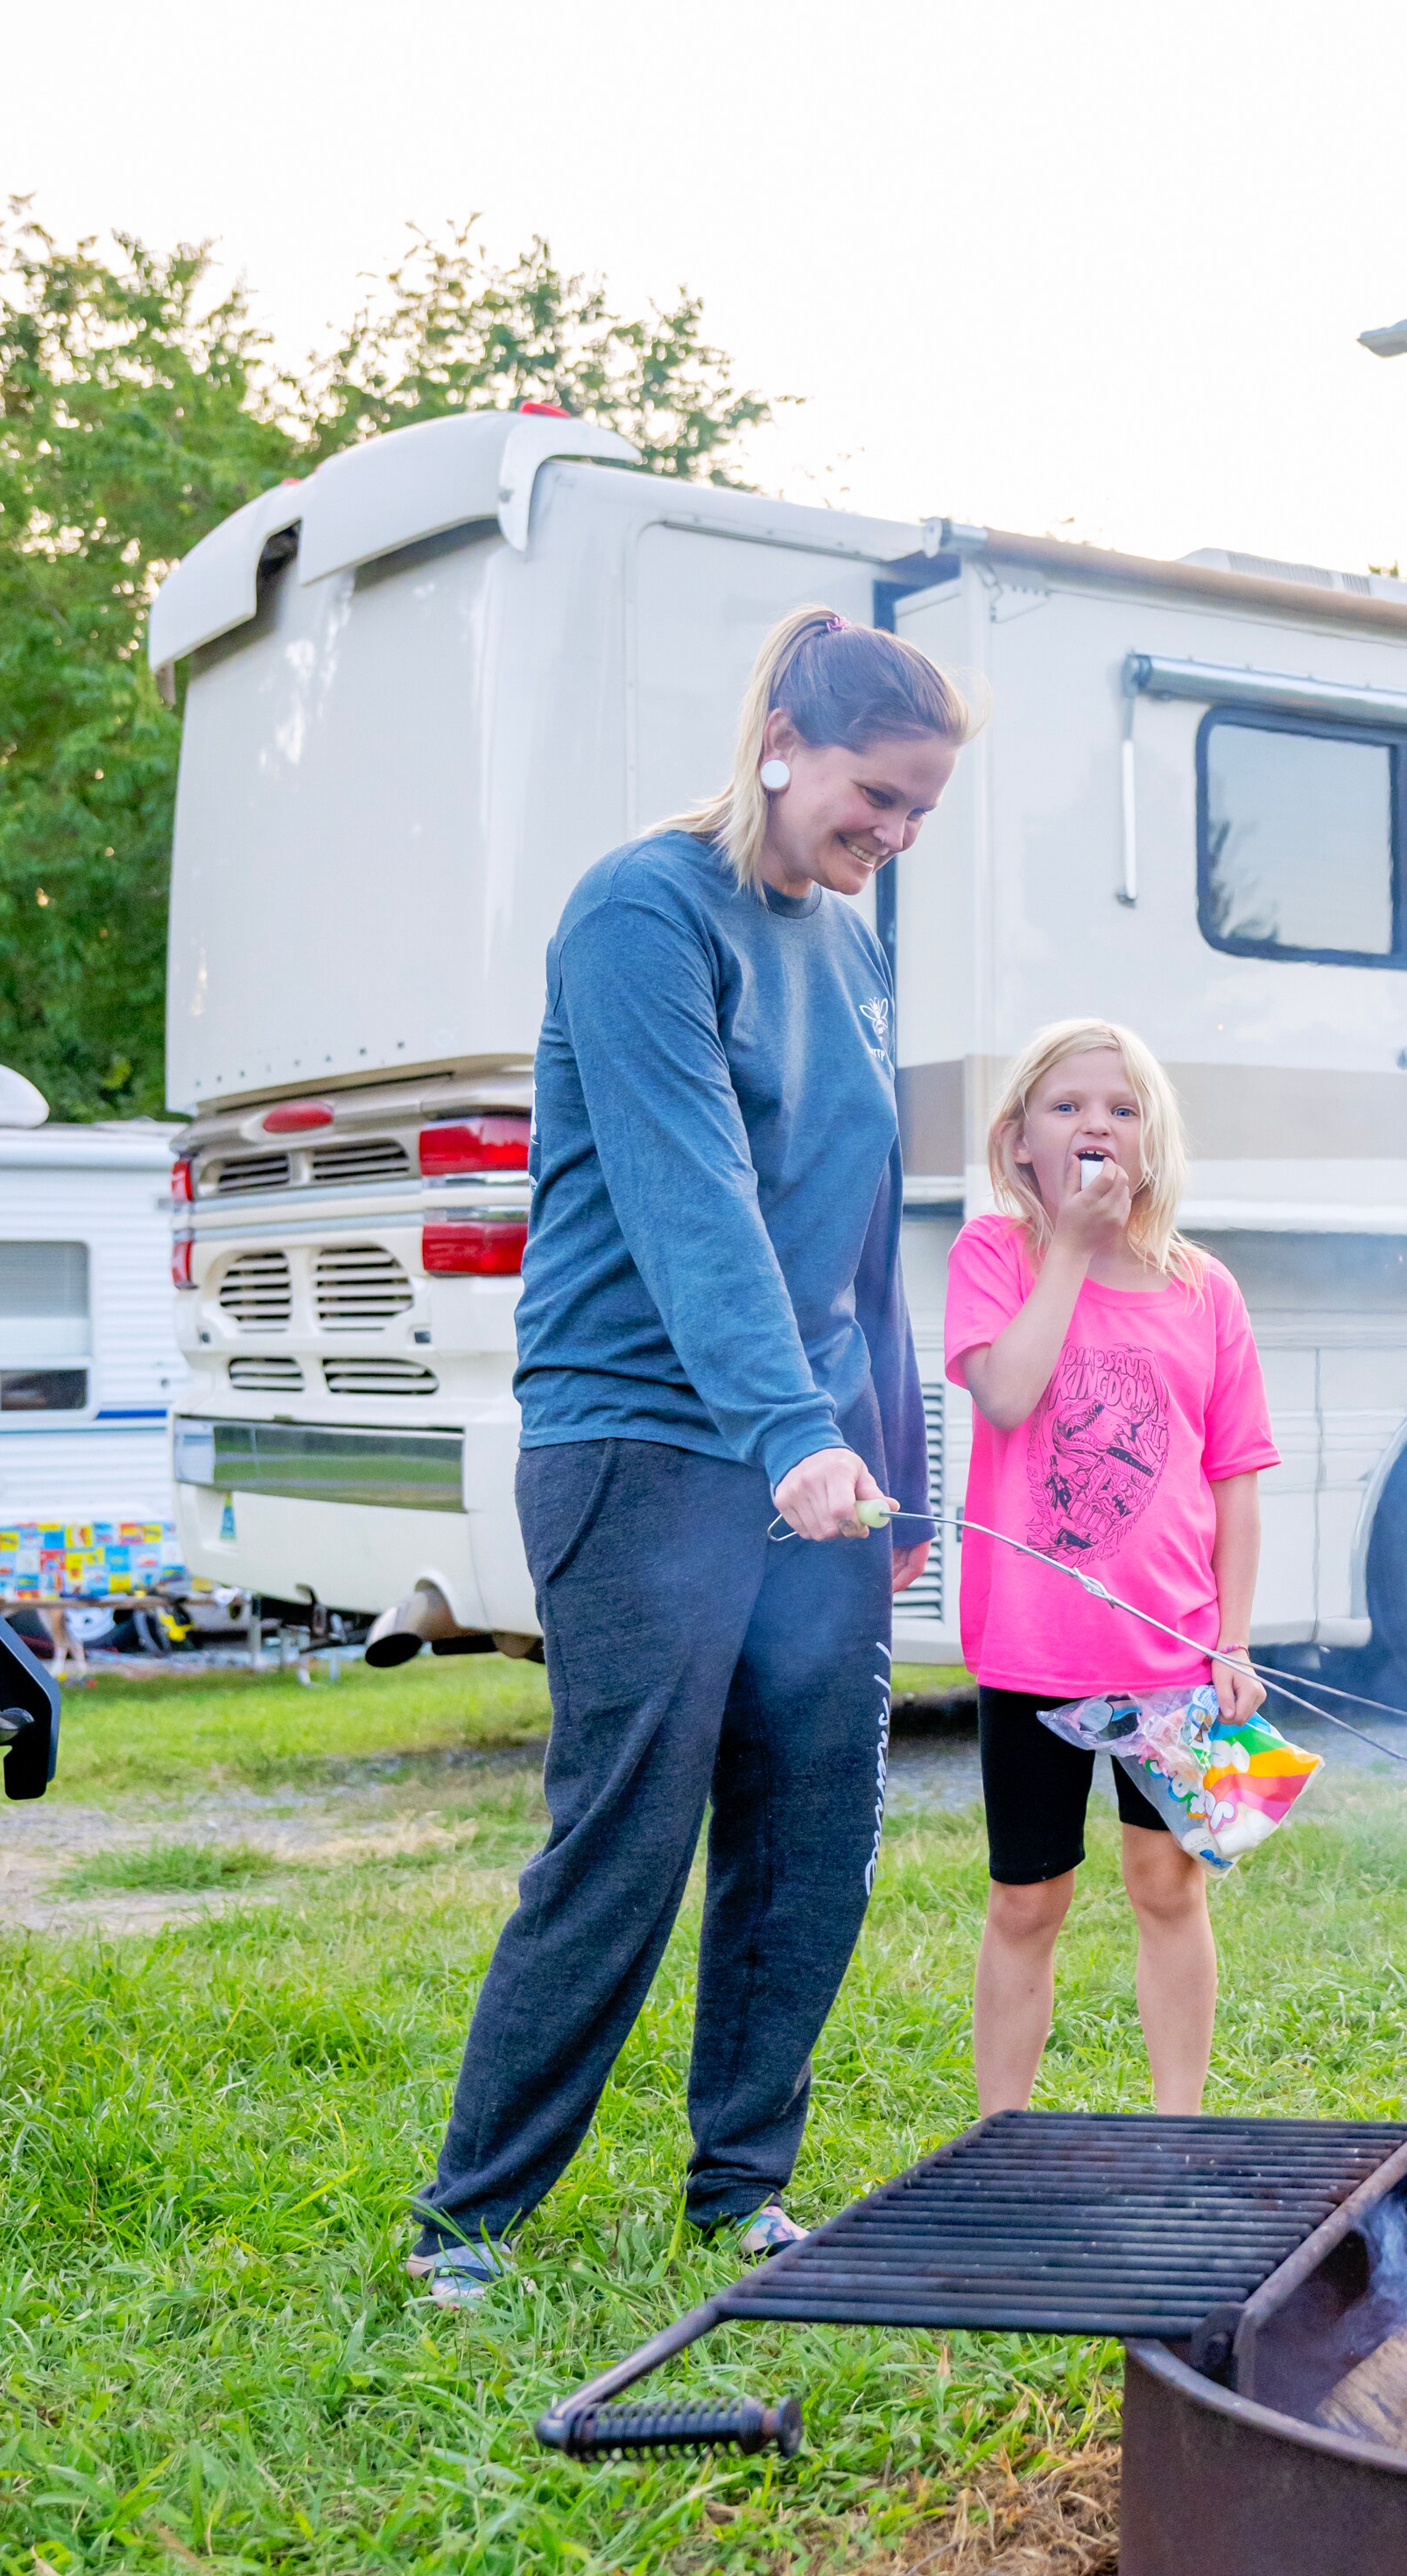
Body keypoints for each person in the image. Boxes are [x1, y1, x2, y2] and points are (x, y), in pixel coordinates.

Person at [408, 605, 966, 2303]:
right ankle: (469, 2224)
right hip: (640, 1436)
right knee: (629, 1832)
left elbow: (864, 1229)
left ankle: (739, 2184)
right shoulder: (644, 908)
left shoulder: (851, 944)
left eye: (922, 812)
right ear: (782, 736)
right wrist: (786, 1426)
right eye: (875, 797)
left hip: (806, 1453)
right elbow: (688, 1197)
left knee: (815, 1828)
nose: (892, 837)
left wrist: (899, 1462)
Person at [946, 1020, 1277, 2115]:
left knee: (1167, 1885)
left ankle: (1176, 2127)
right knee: (1026, 1899)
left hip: (1173, 1653)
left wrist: (1230, 1638)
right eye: (1067, 1106)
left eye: (1122, 1108)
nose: (1096, 1124)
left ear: (1153, 1141)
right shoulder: (993, 1256)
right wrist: (1071, 1251)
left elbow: (1233, 1477)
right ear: (1019, 1143)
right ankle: (1001, 2136)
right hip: (1033, 1648)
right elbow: (1005, 1394)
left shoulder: (1204, 1290)